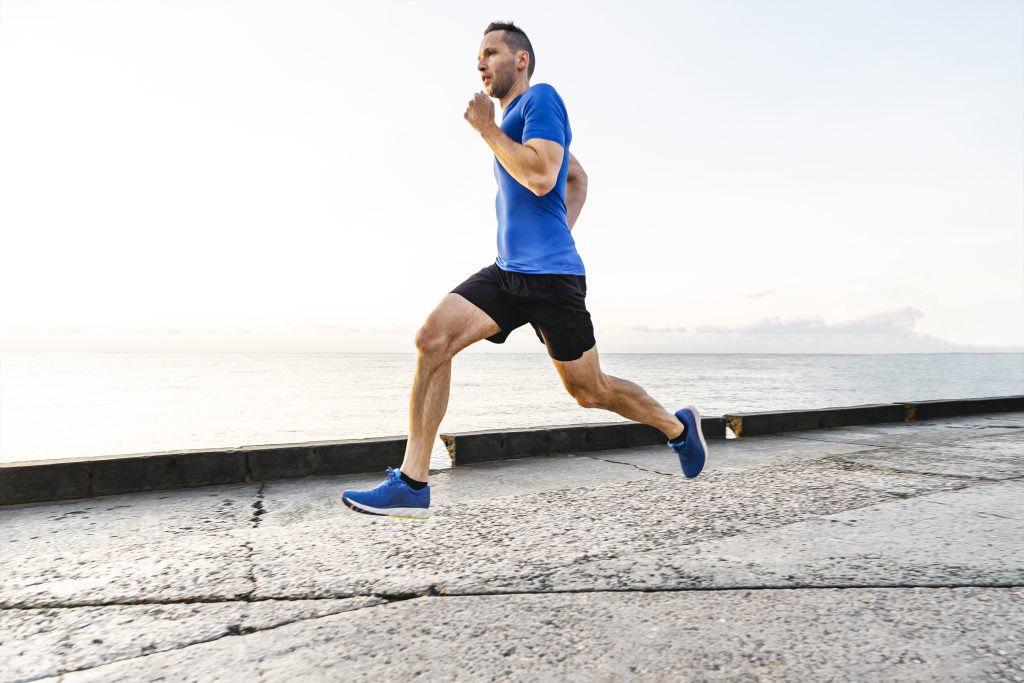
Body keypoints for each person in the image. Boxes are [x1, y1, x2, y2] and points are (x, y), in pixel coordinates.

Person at [342, 21, 707, 519]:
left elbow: (541, 176)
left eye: (490, 52)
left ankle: (679, 428)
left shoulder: (542, 101)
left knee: (589, 391)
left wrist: (486, 129)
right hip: (509, 273)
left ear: (520, 60)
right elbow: (574, 177)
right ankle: (413, 483)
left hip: (553, 280)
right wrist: (560, 223)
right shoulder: (519, 117)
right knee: (433, 340)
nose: (480, 63)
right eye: (478, 56)